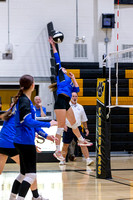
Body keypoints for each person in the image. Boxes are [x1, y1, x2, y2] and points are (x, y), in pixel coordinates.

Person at [2, 74, 57, 200]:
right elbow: (28, 122)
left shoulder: (23, 100)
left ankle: (12, 198)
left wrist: (46, 135)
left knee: (23, 174)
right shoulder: (25, 102)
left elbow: (32, 124)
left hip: (20, 141)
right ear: (32, 85)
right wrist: (49, 124)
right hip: (25, 142)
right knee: (31, 175)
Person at [48, 37, 93, 162]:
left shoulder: (69, 81)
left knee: (74, 123)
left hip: (66, 102)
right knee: (61, 126)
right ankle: (57, 150)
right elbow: (57, 58)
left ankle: (81, 140)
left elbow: (77, 90)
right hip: (60, 101)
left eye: (64, 69)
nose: (64, 69)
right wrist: (53, 45)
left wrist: (73, 78)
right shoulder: (60, 75)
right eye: (62, 69)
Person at [60, 92, 94, 166]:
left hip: (78, 127)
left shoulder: (80, 107)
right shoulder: (66, 105)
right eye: (73, 96)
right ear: (70, 97)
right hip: (68, 128)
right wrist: (63, 125)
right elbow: (61, 116)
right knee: (65, 145)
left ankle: (88, 159)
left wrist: (86, 128)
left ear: (77, 97)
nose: (74, 97)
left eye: (76, 96)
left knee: (83, 143)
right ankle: (62, 160)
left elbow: (84, 119)